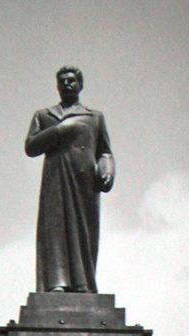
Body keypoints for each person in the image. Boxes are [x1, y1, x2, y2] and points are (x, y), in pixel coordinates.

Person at [25, 66, 115, 294]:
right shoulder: (44, 115)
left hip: (85, 182)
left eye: (71, 80)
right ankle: (57, 283)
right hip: (56, 180)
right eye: (62, 81)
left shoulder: (94, 117)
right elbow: (31, 147)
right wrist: (59, 131)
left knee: (84, 231)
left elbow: (104, 151)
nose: (67, 84)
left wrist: (107, 170)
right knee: (55, 229)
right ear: (57, 86)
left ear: (80, 85)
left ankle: (83, 284)